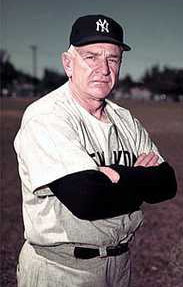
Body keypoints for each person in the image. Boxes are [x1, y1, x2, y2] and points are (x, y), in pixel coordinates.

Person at [14, 14, 177, 287]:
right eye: (91, 57)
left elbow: (167, 184)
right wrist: (139, 177)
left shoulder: (125, 119)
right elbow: (87, 199)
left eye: (112, 59)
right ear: (68, 63)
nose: (103, 68)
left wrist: (115, 176)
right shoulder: (47, 115)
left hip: (120, 265)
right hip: (61, 269)